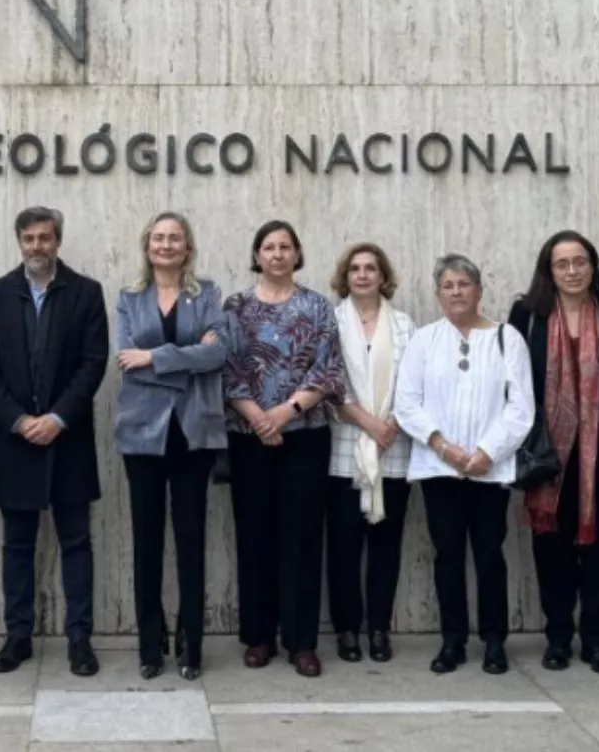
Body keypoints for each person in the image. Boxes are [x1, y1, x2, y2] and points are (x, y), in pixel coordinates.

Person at [0, 206, 109, 677]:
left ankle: (80, 640)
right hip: (16, 440)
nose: (37, 246)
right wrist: (17, 419)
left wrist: (56, 417)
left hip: (67, 438)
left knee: (76, 542)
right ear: (19, 241)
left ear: (58, 241)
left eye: (45, 238)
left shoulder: (86, 293)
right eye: (29, 238)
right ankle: (17, 638)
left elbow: (93, 363)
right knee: (17, 545)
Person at [396, 254, 532, 676]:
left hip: (490, 470)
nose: (456, 292)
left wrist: (486, 453)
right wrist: (443, 446)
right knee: (448, 556)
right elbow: (407, 403)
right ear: (438, 294)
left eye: (463, 284)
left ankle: (494, 642)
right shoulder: (424, 340)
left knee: (490, 555)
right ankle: (452, 641)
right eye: (448, 285)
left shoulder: (508, 338)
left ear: (478, 290)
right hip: (440, 470)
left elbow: (521, 407)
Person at [508, 230, 599, 677]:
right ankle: (558, 639)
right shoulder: (527, 316)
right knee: (552, 550)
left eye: (580, 261)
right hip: (548, 456)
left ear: (593, 266)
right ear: (549, 270)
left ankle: (597, 643)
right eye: (562, 264)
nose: (572, 271)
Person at [112, 212, 231, 682]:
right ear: (147, 246)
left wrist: (155, 356)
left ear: (188, 247)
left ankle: (192, 645)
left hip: (194, 431)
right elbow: (125, 359)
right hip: (142, 432)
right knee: (146, 541)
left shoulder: (208, 294)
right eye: (158, 238)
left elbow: (219, 353)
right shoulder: (128, 298)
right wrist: (188, 356)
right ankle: (149, 644)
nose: (166, 245)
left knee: (190, 540)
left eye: (174, 238)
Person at [223, 220, 343, 678]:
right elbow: (225, 369)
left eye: (285, 247)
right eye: (268, 247)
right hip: (248, 437)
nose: (276, 254)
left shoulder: (317, 306)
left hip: (305, 435)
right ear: (257, 255)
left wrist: (285, 413)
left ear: (297, 254)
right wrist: (258, 417)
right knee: (255, 537)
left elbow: (328, 370)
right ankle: (259, 637)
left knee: (303, 538)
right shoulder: (235, 307)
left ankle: (302, 642)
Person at [325, 243, 415, 665]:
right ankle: (347, 629)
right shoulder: (330, 322)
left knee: (386, 545)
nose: (362, 275)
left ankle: (378, 627)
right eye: (355, 269)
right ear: (346, 276)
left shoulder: (404, 326)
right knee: (344, 548)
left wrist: (391, 424)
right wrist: (369, 423)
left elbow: (415, 385)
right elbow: (328, 384)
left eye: (370, 268)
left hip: (393, 449)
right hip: (346, 449)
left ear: (383, 277)